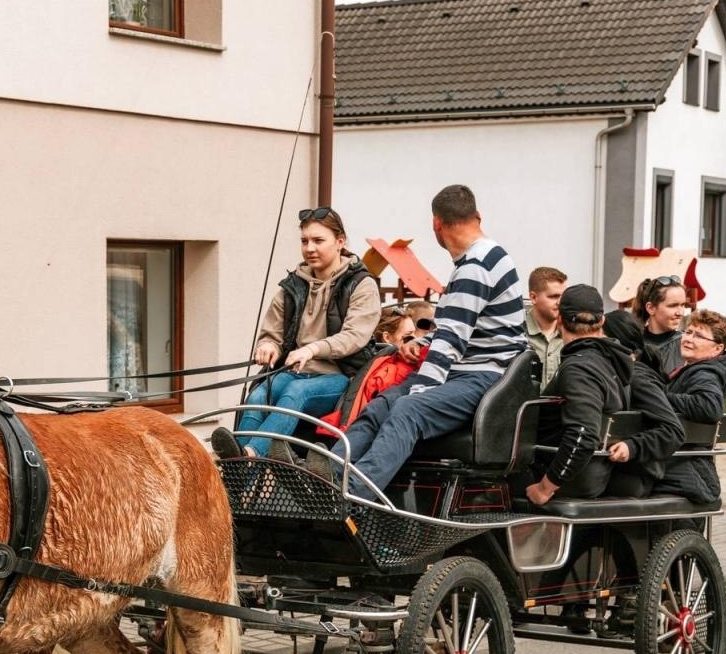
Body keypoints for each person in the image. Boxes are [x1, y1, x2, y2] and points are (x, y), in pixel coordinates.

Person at [312, 184, 526, 496]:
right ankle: (324, 478)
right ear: (477, 216)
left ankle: (354, 493)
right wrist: (422, 344)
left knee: (408, 409)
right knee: (381, 404)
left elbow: (451, 342)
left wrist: (420, 390)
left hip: (483, 377)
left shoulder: (474, 268)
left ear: (436, 225)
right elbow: (464, 329)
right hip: (471, 372)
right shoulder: (488, 258)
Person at [212, 207, 381, 459]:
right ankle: (236, 470)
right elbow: (272, 332)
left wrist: (312, 349)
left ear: (340, 242)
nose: (310, 248)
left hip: (341, 376)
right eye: (304, 241)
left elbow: (354, 336)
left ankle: (249, 455)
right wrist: (269, 345)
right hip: (292, 372)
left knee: (296, 394)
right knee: (259, 394)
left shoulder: (361, 285)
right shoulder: (292, 286)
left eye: (318, 240)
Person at [525, 285, 683, 504]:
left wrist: (545, 487)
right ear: (601, 322)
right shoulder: (612, 362)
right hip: (596, 473)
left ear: (559, 319)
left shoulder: (580, 367)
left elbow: (582, 435)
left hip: (574, 477)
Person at [654, 309, 726, 503]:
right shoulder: (691, 368)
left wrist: (661, 397)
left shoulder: (705, 373)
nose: (689, 338)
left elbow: (709, 406)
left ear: (717, 349)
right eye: (688, 332)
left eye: (698, 335)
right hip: (685, 468)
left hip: (687, 470)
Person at [319, 299, 432, 434]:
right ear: (387, 338)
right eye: (408, 338)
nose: (414, 343)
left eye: (416, 336)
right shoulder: (388, 364)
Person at [604, 275, 689, 377]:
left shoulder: (686, 344)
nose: (680, 312)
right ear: (651, 308)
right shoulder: (630, 342)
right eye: (673, 306)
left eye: (683, 305)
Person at [524, 266, 566, 390]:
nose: (560, 302)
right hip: (523, 407)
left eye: (563, 296)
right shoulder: (517, 334)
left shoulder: (571, 333)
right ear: (533, 297)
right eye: (554, 296)